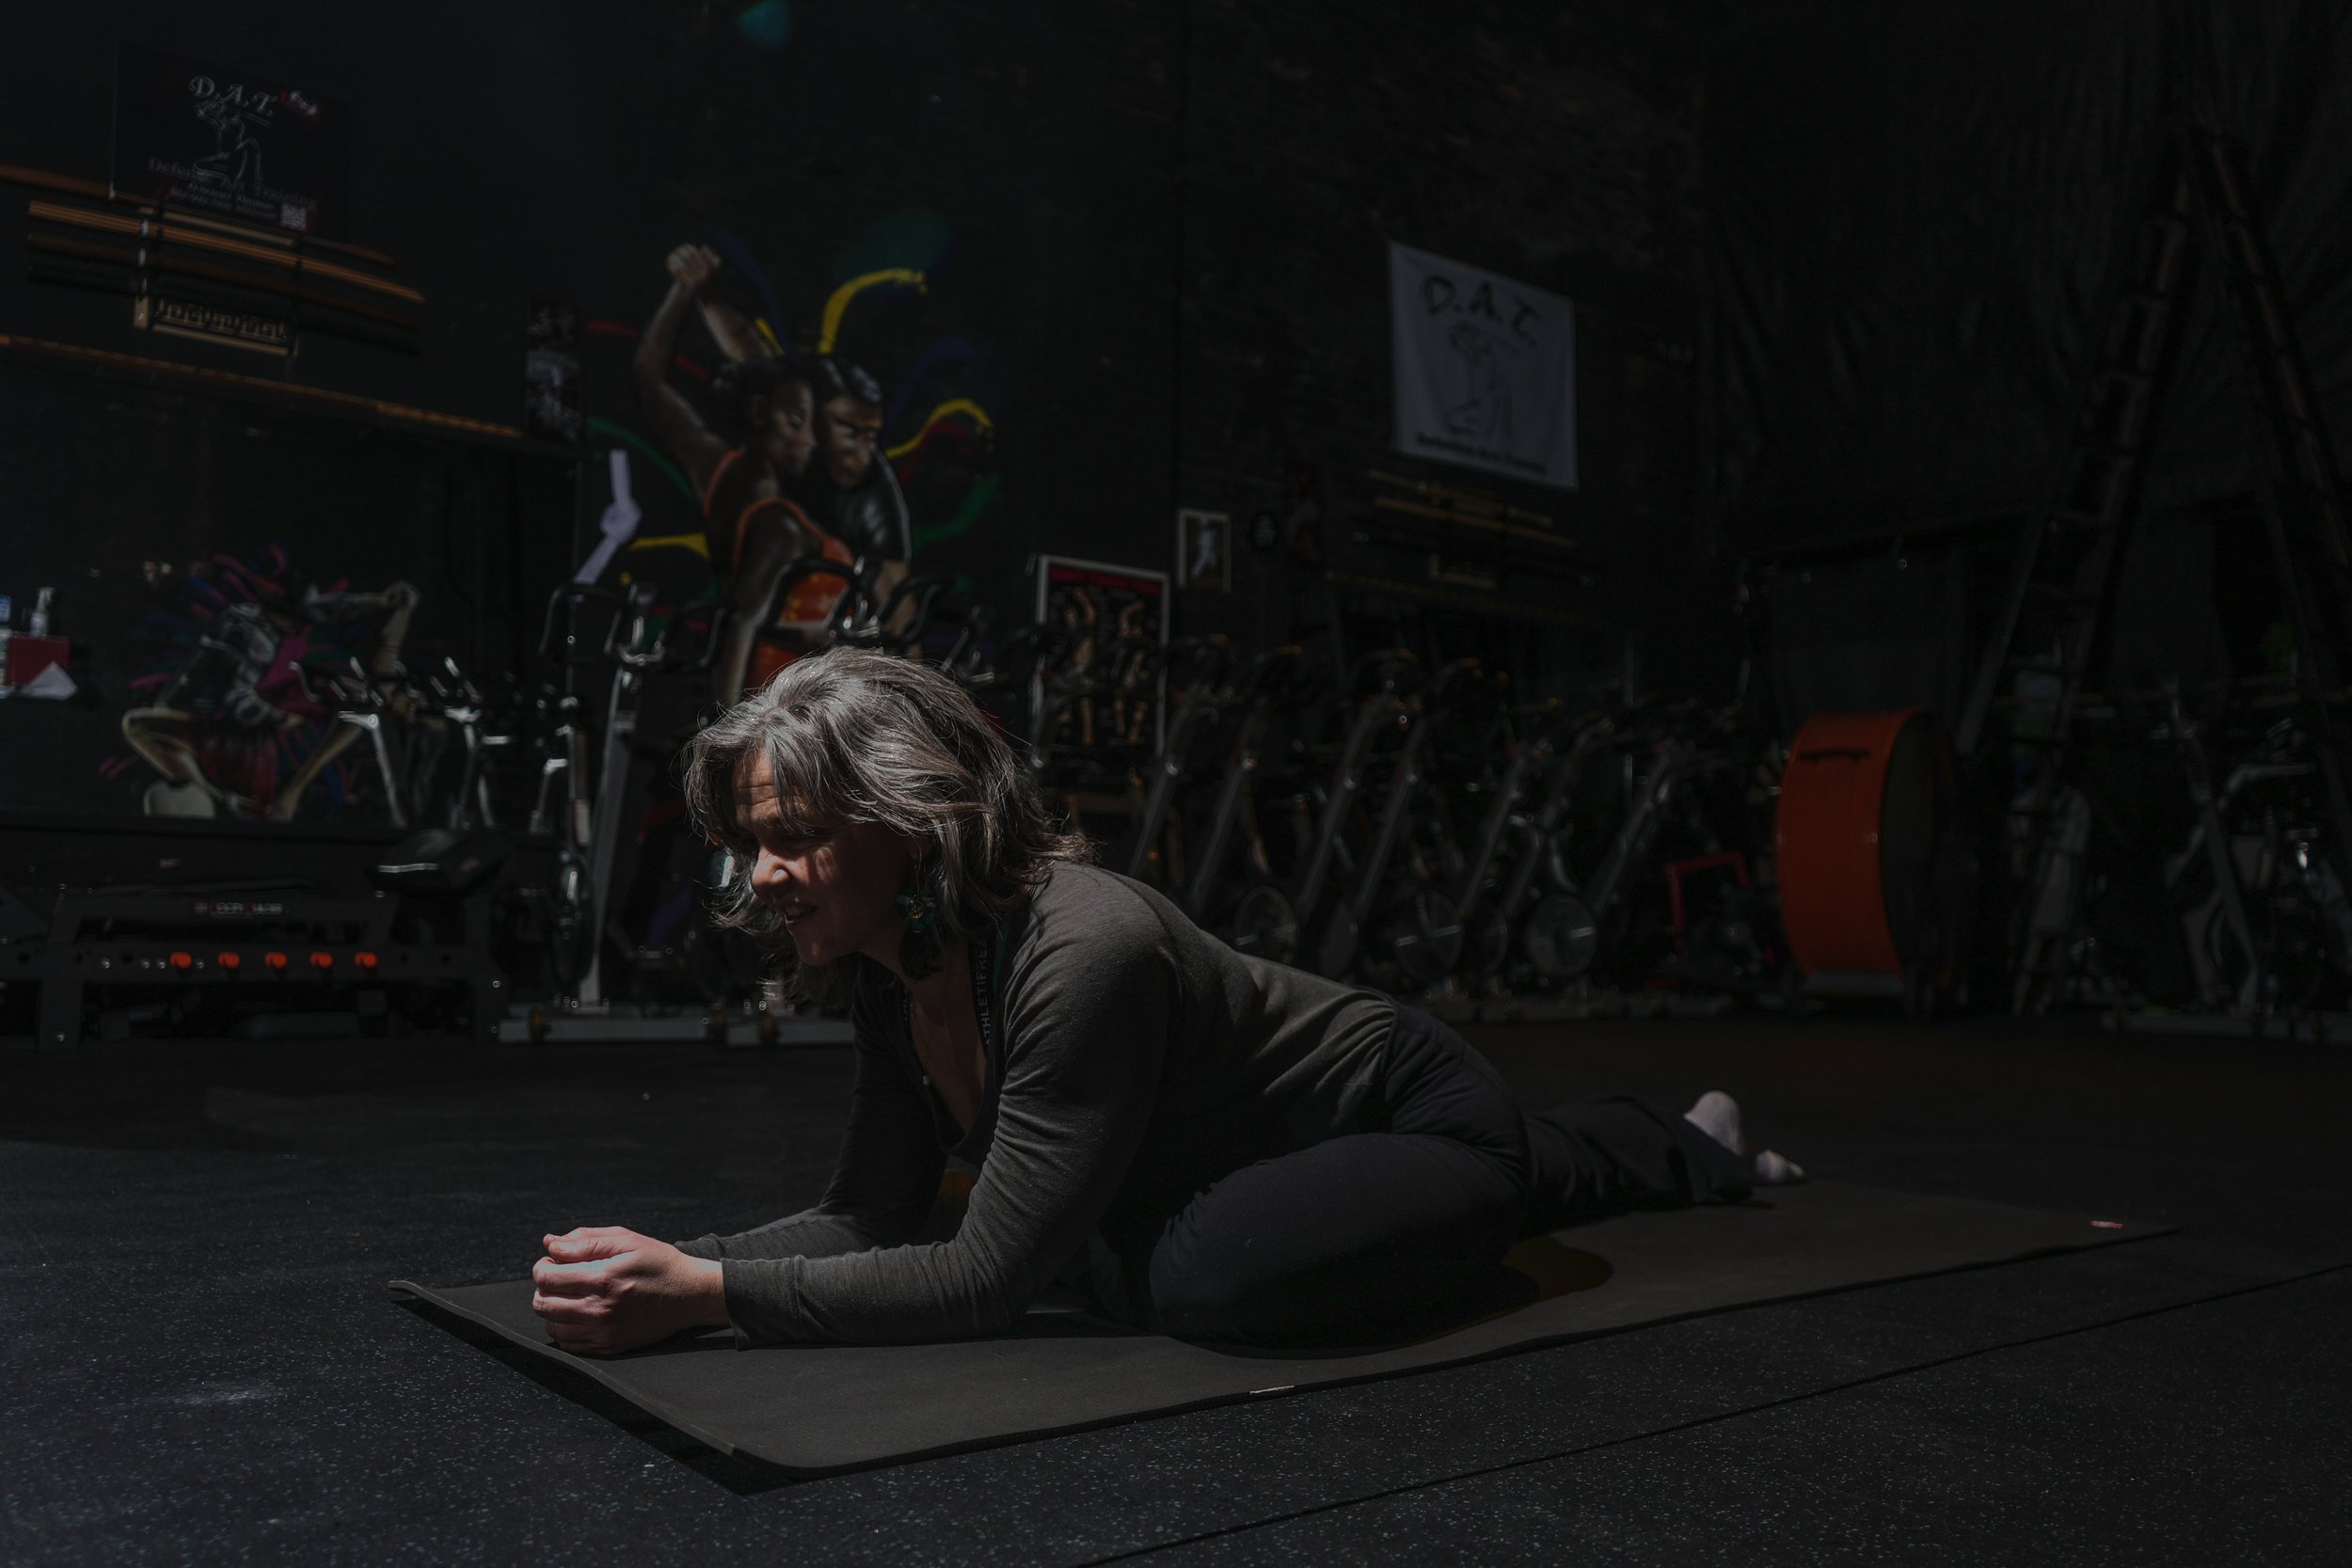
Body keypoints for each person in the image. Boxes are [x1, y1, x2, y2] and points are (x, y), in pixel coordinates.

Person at [528, 650, 1802, 1356]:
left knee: (1199, 1275)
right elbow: (871, 1212)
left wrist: (708, 1296)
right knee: (1117, 1246)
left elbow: (981, 1278)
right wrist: (672, 1262)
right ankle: (1698, 1136)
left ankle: (1678, 1146)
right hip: (1224, 1152)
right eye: (752, 839)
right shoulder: (890, 968)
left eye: (793, 833)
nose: (759, 872)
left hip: (1411, 1106)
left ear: (910, 826)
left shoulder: (1084, 947)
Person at [630, 243, 854, 701]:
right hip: (781, 697)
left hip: (793, 695)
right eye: (795, 422)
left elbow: (650, 378)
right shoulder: (770, 515)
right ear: (758, 412)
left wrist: (693, 291)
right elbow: (745, 626)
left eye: (812, 426)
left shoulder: (729, 479)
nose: (808, 441)